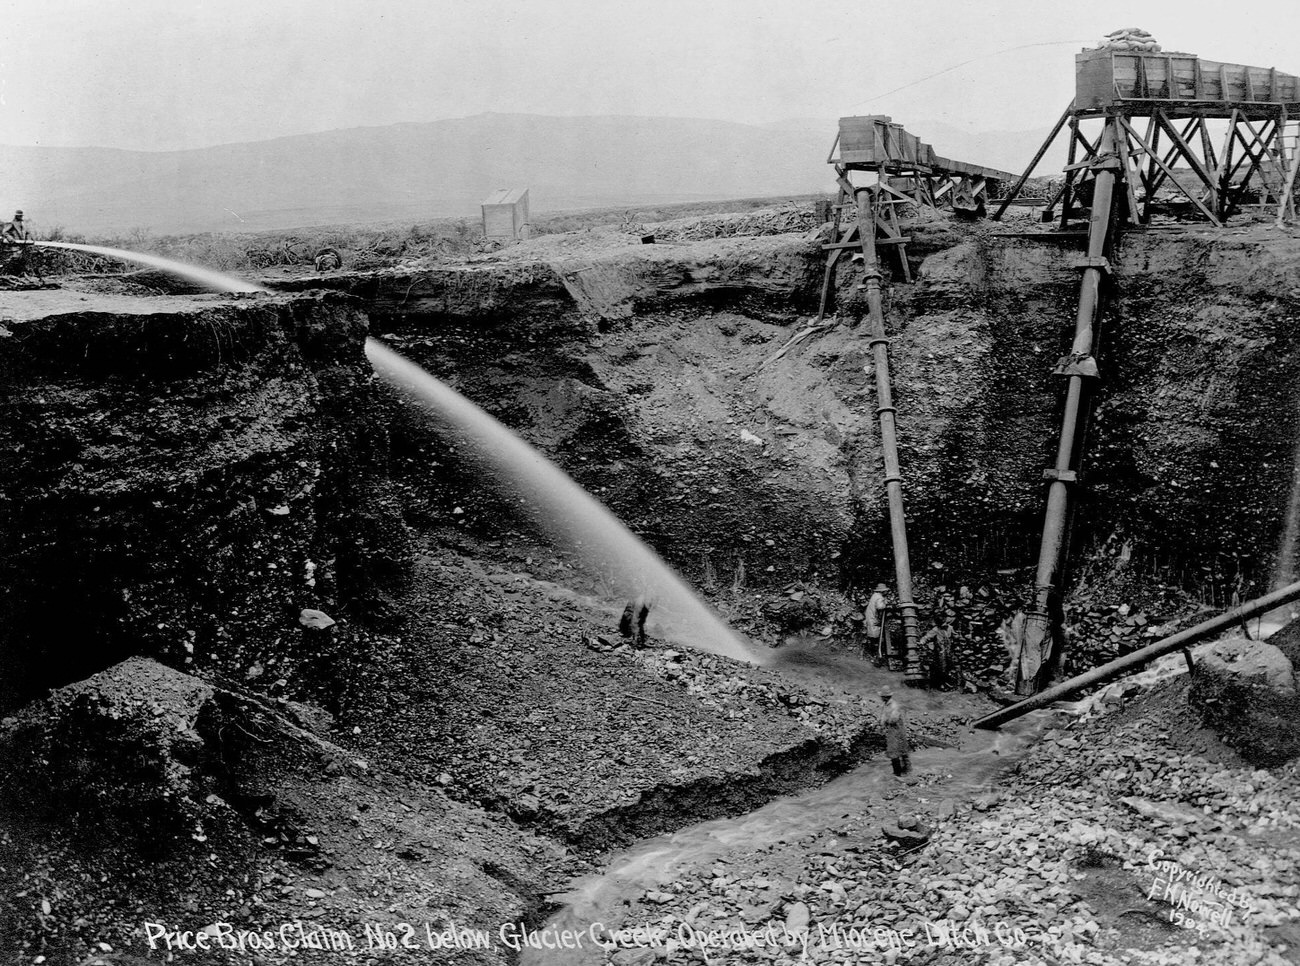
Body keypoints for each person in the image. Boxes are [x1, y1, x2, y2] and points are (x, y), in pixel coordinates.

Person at [879, 688, 911, 776]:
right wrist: (882, 724)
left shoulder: (894, 706)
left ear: (885, 697)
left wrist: (885, 722)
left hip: (898, 729)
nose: (881, 698)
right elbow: (883, 715)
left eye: (882, 696)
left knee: (899, 749)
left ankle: (900, 771)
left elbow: (893, 719)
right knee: (894, 749)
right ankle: (900, 770)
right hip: (892, 730)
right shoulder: (885, 705)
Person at [919, 614, 956, 690]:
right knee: (941, 667)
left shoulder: (950, 628)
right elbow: (926, 637)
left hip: (948, 651)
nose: (943, 625)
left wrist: (957, 636)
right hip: (940, 652)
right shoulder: (936, 630)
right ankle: (941, 684)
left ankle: (949, 683)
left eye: (944, 623)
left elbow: (955, 635)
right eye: (941, 624)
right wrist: (921, 642)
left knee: (950, 666)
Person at [865, 582, 890, 666]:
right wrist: (885, 604)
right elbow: (880, 607)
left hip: (870, 617)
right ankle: (877, 656)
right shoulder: (879, 597)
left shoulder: (874, 595)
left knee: (873, 637)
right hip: (873, 619)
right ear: (882, 591)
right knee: (876, 638)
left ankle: (874, 655)